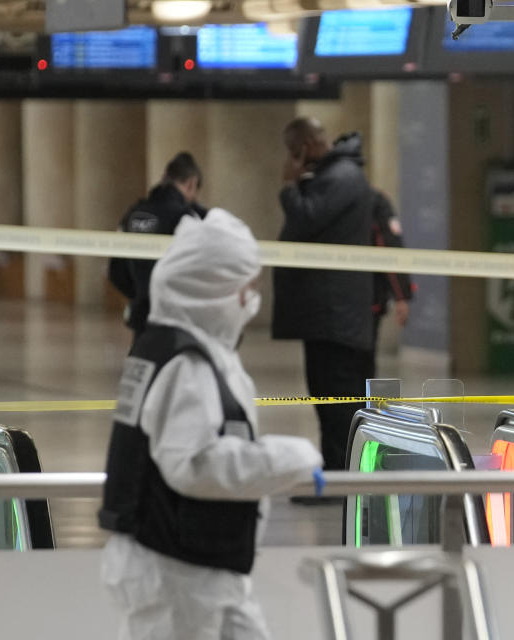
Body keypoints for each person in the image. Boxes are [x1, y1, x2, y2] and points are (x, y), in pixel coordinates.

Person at [99, 208, 324, 640]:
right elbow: (195, 464)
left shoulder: (176, 345)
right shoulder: (185, 363)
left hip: (201, 566)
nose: (251, 300)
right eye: (245, 288)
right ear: (212, 289)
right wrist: (287, 459)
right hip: (175, 571)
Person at [272, 117, 374, 479]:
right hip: (327, 314)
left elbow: (305, 218)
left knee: (336, 399)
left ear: (306, 147)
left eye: (293, 151)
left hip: (336, 315)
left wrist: (289, 186)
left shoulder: (340, 177)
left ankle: (342, 475)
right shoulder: (332, 177)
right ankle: (336, 471)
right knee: (326, 396)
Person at [108, 151, 207, 338]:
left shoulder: (133, 214)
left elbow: (116, 270)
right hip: (177, 316)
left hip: (141, 316)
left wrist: (139, 295)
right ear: (191, 183)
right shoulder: (187, 217)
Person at [369, 189, 415, 373]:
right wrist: (401, 297)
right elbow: (390, 247)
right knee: (363, 359)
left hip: (334, 304)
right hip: (368, 300)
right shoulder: (375, 200)